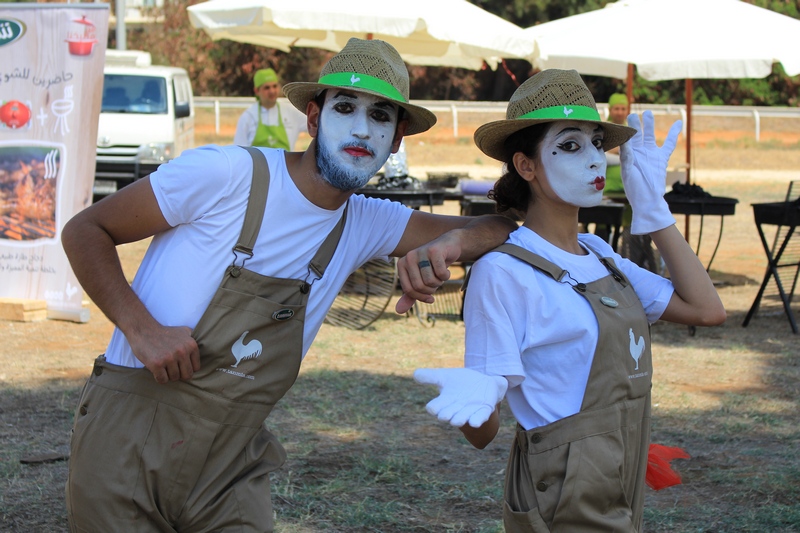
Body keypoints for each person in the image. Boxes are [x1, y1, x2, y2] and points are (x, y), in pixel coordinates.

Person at [61, 38, 517, 532]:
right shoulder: (226, 174)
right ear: (314, 117)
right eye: (346, 108)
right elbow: (85, 230)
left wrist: (445, 246)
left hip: (230, 464)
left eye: (382, 117)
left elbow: (499, 229)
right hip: (129, 438)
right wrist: (140, 328)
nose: (362, 130)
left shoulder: (366, 221)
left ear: (398, 138)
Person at [413, 69, 725, 532]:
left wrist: (655, 212)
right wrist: (476, 397)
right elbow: (484, 434)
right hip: (560, 487)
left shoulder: (601, 255)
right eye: (571, 146)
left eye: (598, 143)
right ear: (526, 166)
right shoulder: (503, 271)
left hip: (621, 465)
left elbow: (707, 310)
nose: (595, 160)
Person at [233, 67, 309, 150]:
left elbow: (317, 126)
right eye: (267, 88)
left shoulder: (291, 112)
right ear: (256, 91)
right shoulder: (248, 117)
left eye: (274, 86)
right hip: (257, 163)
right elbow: (239, 151)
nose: (272, 91)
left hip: (286, 163)